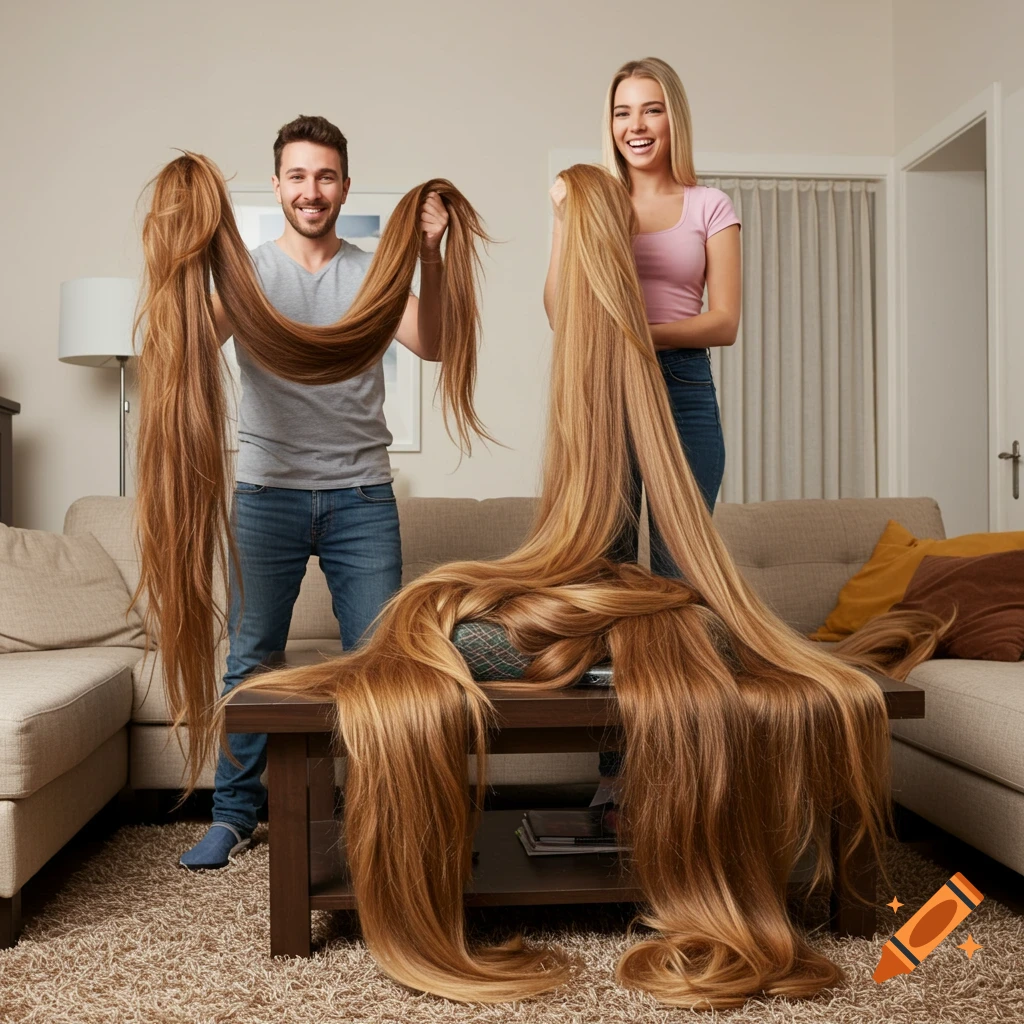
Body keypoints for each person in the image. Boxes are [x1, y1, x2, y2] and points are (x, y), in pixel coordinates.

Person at [179, 114, 450, 869]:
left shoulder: (372, 271)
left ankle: (377, 816)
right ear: (277, 186)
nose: (311, 190)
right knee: (252, 659)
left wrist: (431, 255)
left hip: (361, 495)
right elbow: (195, 343)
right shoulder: (253, 273)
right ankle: (233, 816)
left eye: (325, 176)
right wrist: (190, 252)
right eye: (297, 176)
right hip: (266, 493)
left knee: (379, 665)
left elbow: (435, 343)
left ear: (344, 187)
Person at [544, 58, 741, 786]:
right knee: (613, 581)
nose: (636, 126)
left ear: (673, 118)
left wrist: (632, 332)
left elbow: (722, 322)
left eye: (651, 110)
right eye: (623, 112)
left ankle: (682, 771)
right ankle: (616, 780)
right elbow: (563, 313)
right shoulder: (591, 201)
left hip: (684, 392)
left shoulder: (709, 205)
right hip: (608, 396)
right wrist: (566, 218)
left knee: (681, 583)